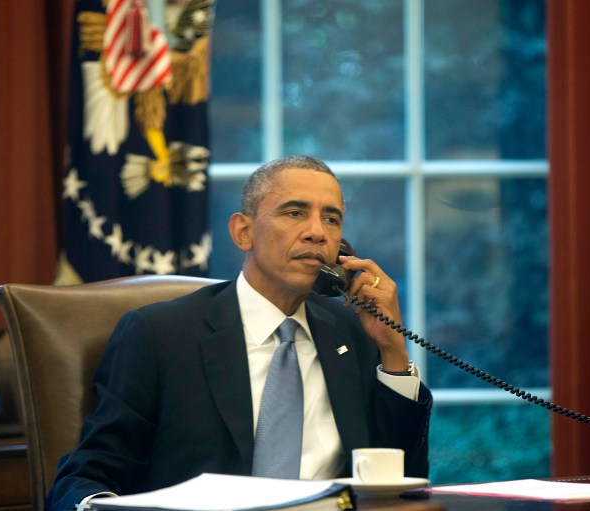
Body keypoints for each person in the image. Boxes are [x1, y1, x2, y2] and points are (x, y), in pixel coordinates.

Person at [46, 155, 432, 511]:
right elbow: (87, 475)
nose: (317, 233)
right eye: (295, 212)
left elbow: (400, 481)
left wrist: (393, 351)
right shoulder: (159, 335)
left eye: (331, 219)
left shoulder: (353, 330)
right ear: (243, 232)